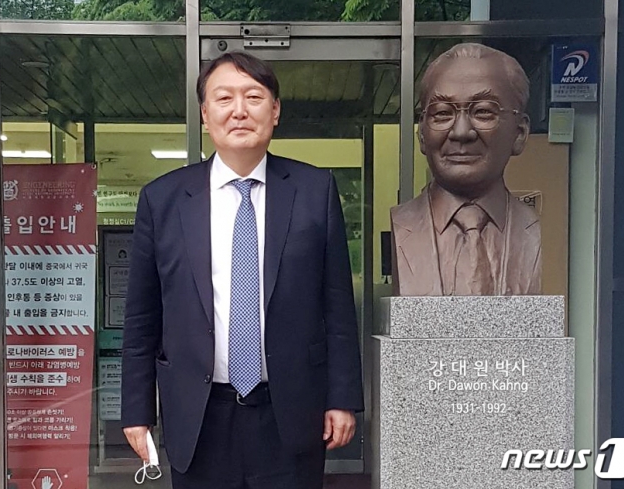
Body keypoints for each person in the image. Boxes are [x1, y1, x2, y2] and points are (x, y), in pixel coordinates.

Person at [120, 51, 364, 489]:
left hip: (290, 411)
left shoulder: (314, 191)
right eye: (224, 98)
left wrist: (343, 398)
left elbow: (338, 308)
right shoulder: (163, 200)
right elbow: (141, 318)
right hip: (199, 415)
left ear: (275, 111)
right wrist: (136, 411)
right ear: (205, 113)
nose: (239, 110)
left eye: (253, 97)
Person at [391, 43, 541, 296]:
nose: (461, 132)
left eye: (483, 112)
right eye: (442, 113)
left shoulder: (536, 229)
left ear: (519, 133)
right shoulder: (403, 224)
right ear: (422, 134)